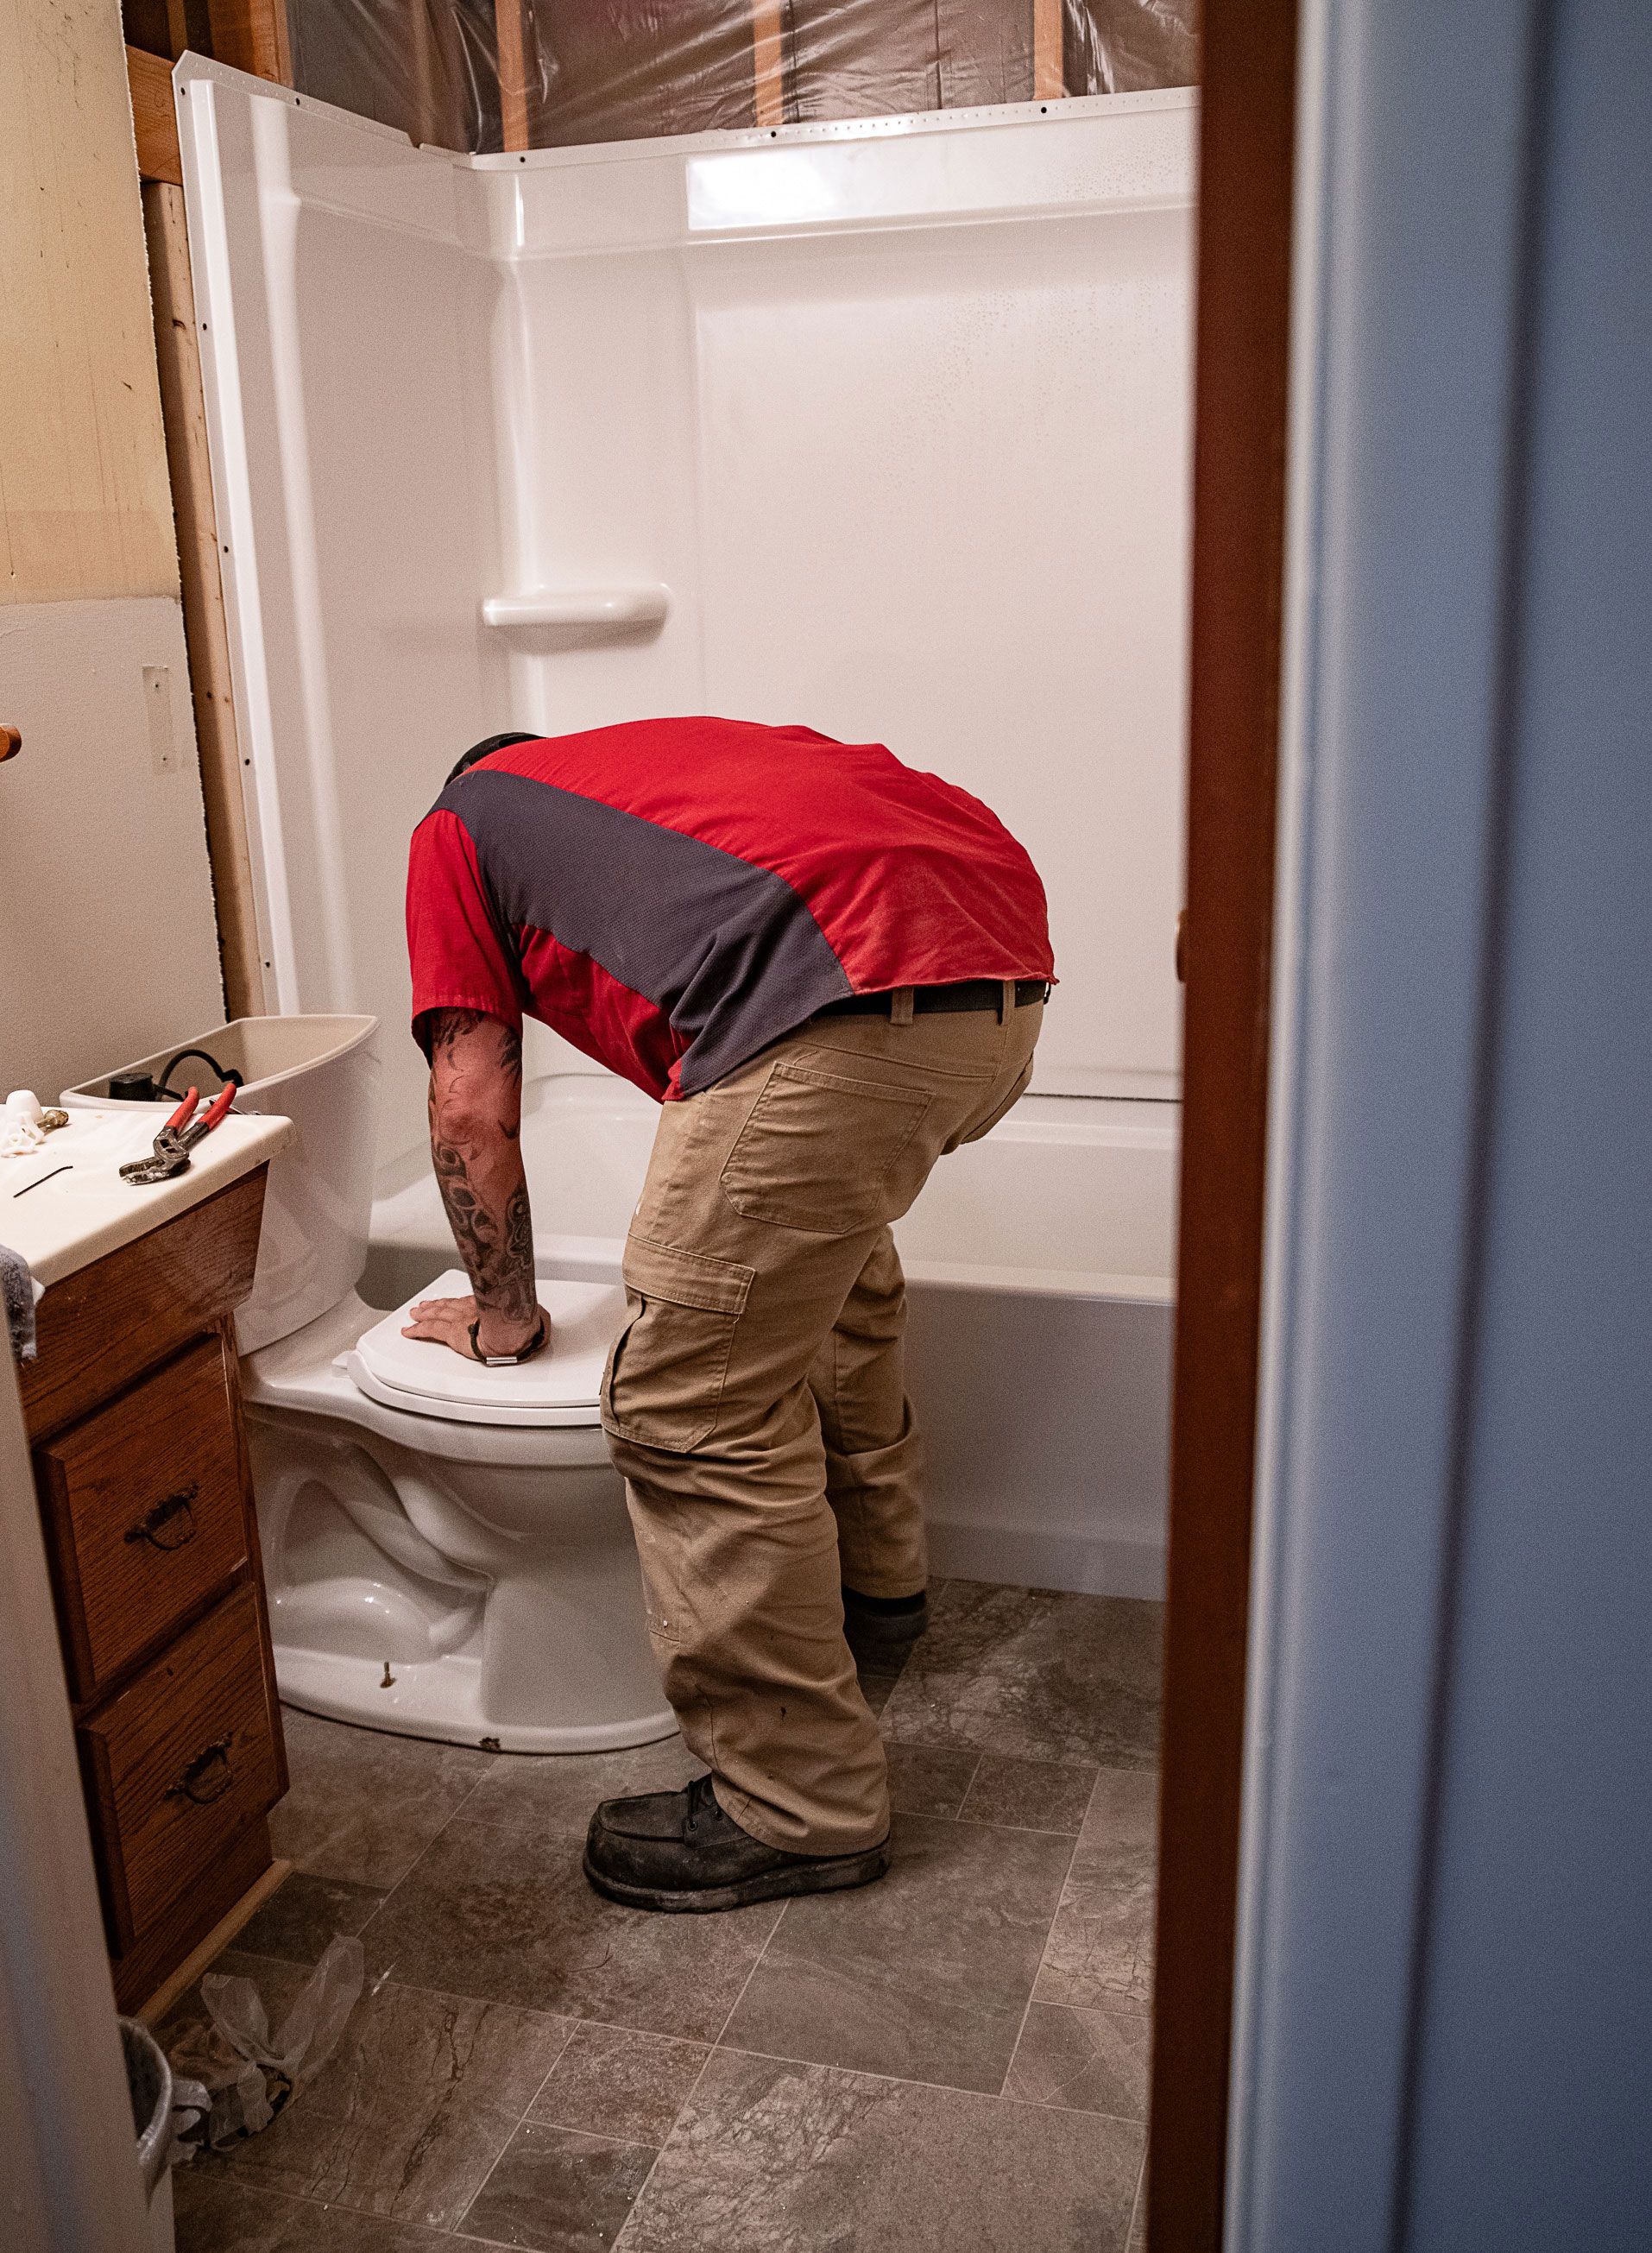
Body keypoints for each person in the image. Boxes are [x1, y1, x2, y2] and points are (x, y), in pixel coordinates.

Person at [401, 716, 1052, 1911]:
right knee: (833, 1289)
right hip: (999, 985)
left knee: (682, 1398)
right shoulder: (655, 775)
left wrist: (501, 1316)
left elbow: (469, 1108)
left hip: (833, 1008)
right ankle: (875, 1588)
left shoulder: (460, 821)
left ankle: (798, 1803)